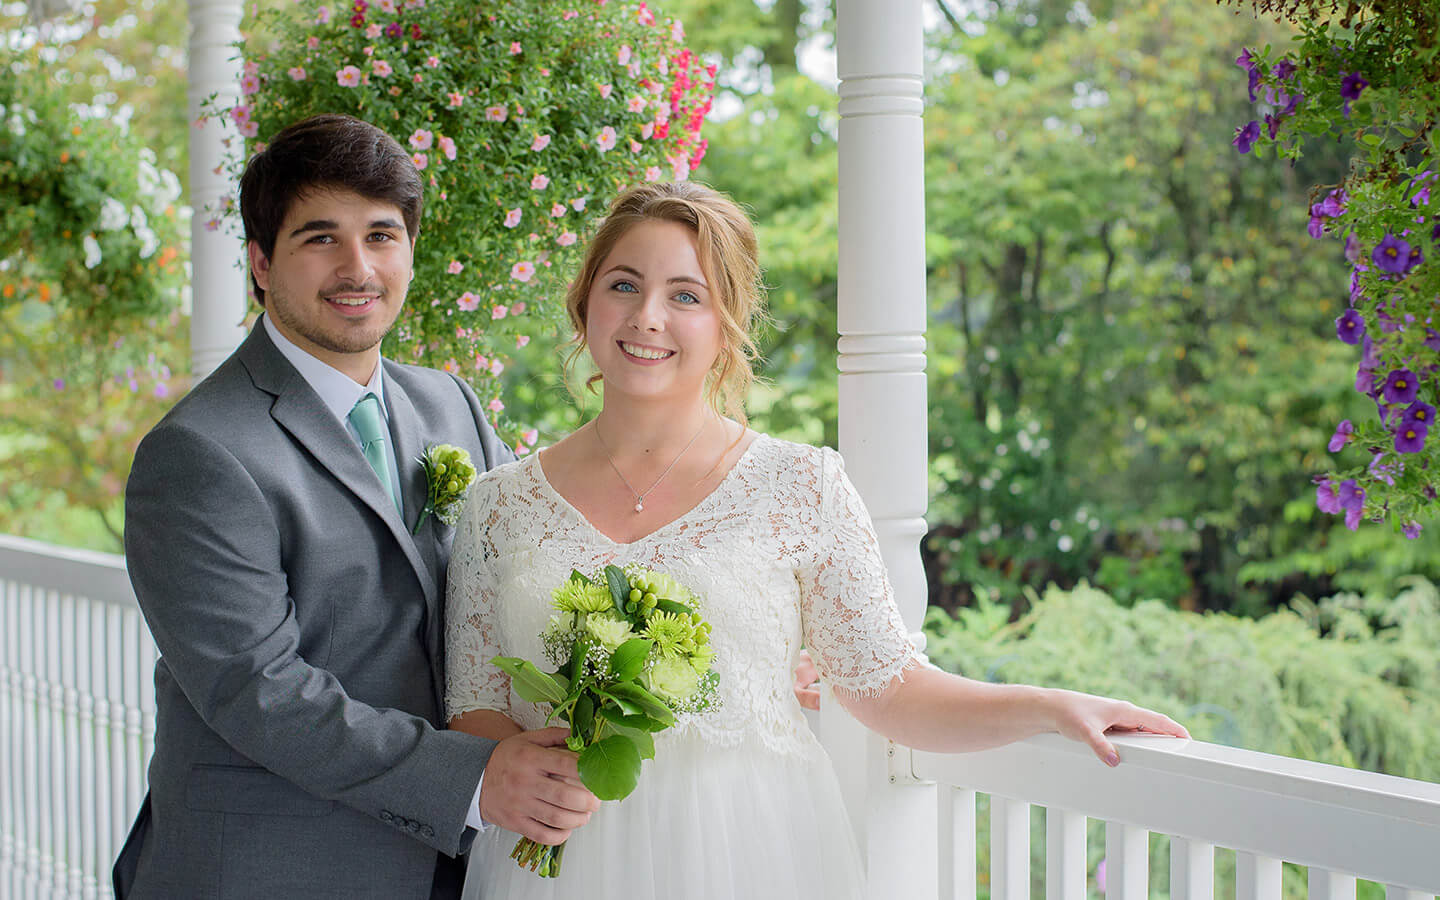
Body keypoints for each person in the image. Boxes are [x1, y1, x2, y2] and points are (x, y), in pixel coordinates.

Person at [443, 181, 1189, 899]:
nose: (648, 317)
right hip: (560, 861)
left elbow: (892, 689)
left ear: (726, 325)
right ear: (585, 302)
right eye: (624, 285)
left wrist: (1050, 705)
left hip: (749, 856)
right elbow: (475, 709)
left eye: (686, 295)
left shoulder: (802, 487)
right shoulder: (497, 505)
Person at [113, 114, 598, 900]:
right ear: (261, 264)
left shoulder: (450, 405)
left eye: (382, 234)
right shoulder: (199, 453)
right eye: (320, 238)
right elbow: (258, 689)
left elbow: (531, 568)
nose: (357, 266)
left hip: (451, 863)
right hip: (274, 867)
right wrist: (476, 778)